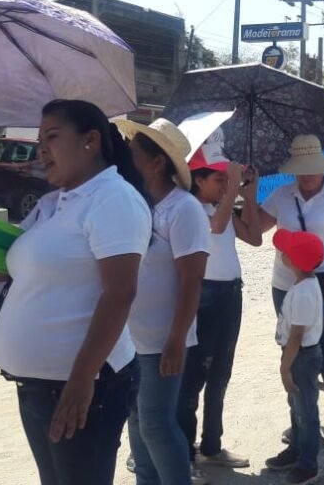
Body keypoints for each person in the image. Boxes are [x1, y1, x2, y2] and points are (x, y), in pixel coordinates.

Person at [0, 100, 151, 485]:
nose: (41, 149)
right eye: (39, 140)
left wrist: (82, 378)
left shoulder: (113, 199)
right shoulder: (51, 204)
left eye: (52, 137)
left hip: (84, 387)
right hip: (39, 386)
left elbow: (120, 293)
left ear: (90, 141)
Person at [117, 118, 210, 485]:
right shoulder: (139, 205)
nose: (127, 159)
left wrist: (176, 339)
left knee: (155, 423)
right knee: (138, 421)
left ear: (157, 163)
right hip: (132, 340)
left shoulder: (184, 208)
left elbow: (192, 278)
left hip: (161, 341)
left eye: (134, 154)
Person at [259, 134, 324, 450]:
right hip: (286, 286)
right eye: (300, 168)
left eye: (311, 167)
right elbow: (254, 232)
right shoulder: (280, 195)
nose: (306, 174)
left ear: (322, 166)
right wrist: (244, 194)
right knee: (293, 356)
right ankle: (302, 422)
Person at [180, 134, 261, 470]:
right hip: (206, 296)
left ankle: (212, 445)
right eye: (219, 179)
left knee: (220, 373)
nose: (226, 185)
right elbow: (215, 229)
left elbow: (254, 238)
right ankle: (185, 454)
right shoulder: (191, 209)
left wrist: (249, 197)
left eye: (227, 180)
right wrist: (233, 192)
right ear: (198, 180)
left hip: (230, 294)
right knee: (194, 376)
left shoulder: (218, 207)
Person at [265, 230, 324, 484]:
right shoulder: (304, 284)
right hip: (298, 356)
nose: (281, 253)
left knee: (305, 410)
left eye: (286, 251)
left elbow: (297, 336)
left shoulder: (303, 292)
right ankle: (297, 448)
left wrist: (284, 368)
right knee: (297, 405)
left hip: (300, 357)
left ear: (293, 260)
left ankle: (308, 463)